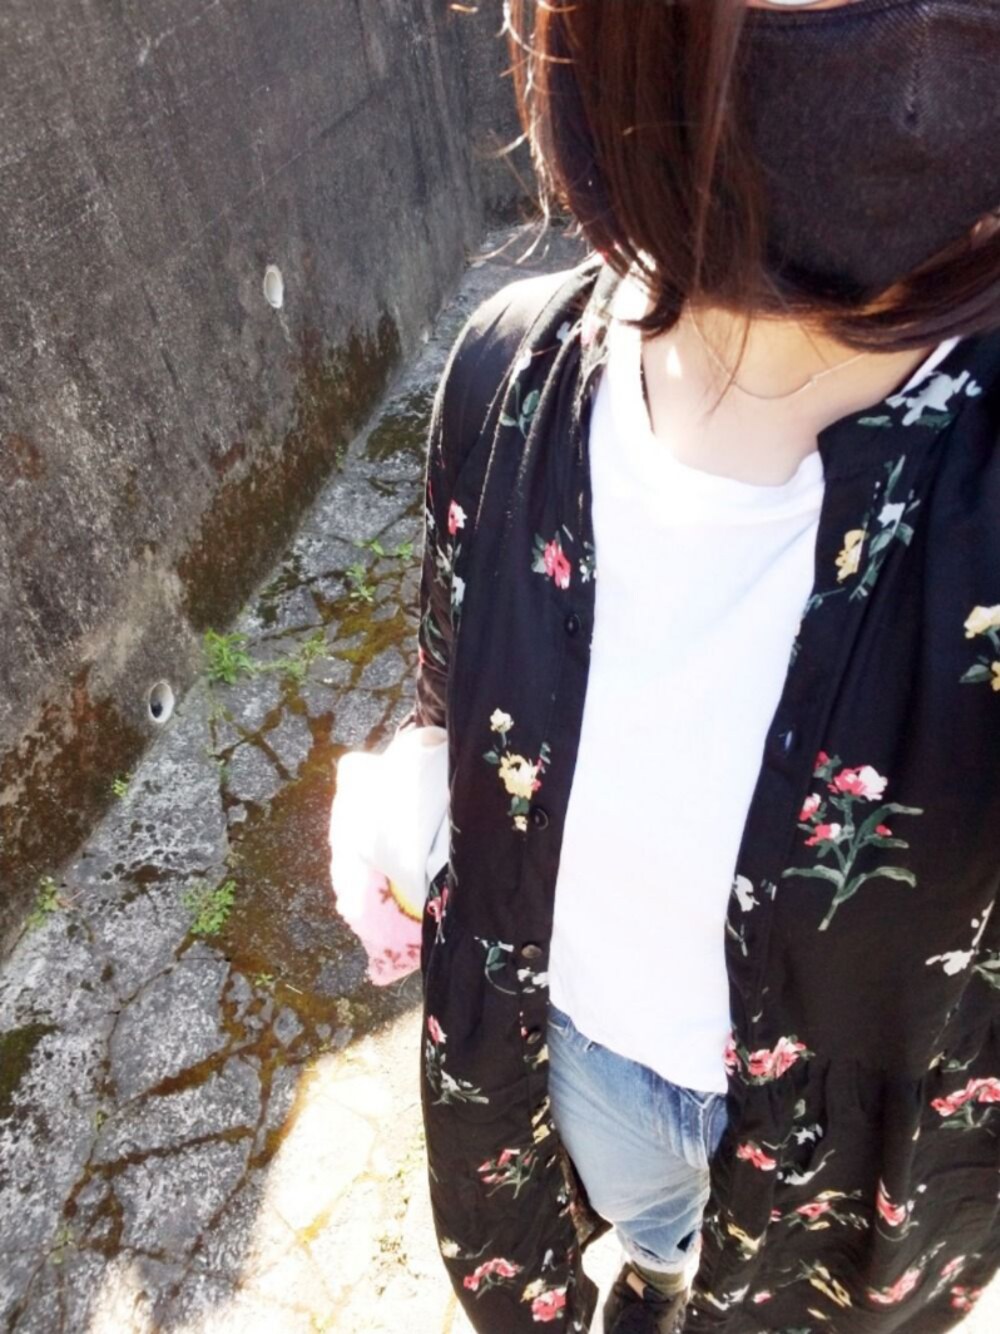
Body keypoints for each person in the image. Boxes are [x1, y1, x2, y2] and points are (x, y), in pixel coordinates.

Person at [330, 0, 1000, 1329]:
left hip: (879, 1174)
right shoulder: (504, 381)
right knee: (663, 1263)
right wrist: (403, 798)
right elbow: (455, 706)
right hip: (590, 1067)